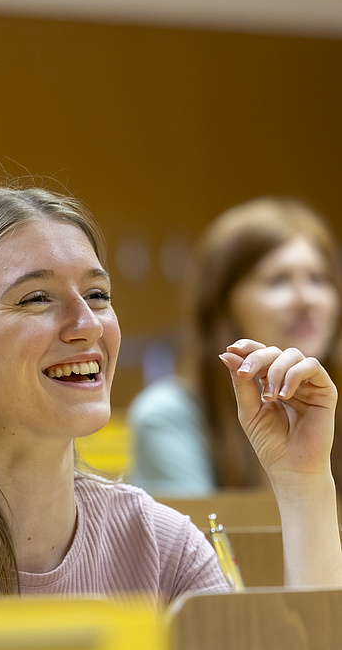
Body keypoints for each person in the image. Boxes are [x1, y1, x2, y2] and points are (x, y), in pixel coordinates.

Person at [0, 186, 342, 603]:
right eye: (36, 298)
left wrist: (303, 483)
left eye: (97, 294)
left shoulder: (160, 541)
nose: (87, 324)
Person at [128, 197, 342, 495]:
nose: (307, 299)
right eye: (278, 280)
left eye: (319, 279)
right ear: (223, 305)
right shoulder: (166, 415)